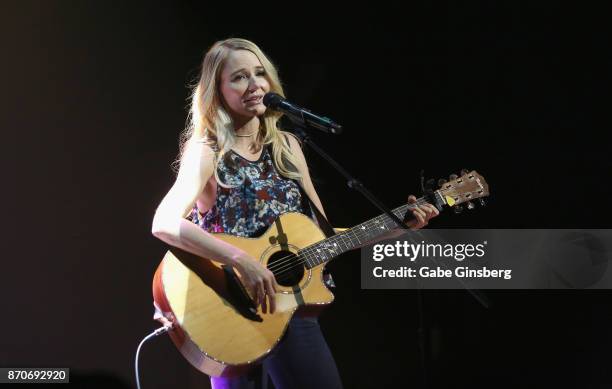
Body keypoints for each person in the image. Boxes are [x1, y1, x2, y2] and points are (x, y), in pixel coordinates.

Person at [151, 38, 439, 389]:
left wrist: (398, 226)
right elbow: (164, 222)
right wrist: (242, 260)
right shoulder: (207, 150)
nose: (255, 85)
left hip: (293, 310)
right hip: (231, 312)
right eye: (239, 77)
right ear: (218, 90)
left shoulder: (287, 146)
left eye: (260, 74)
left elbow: (325, 236)